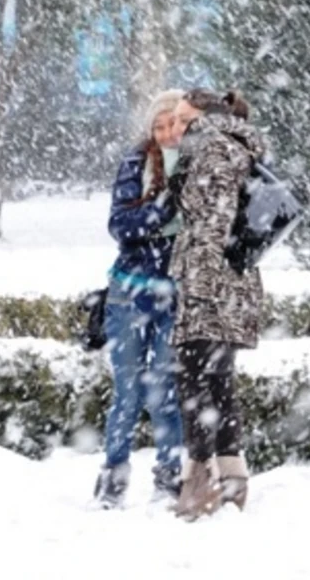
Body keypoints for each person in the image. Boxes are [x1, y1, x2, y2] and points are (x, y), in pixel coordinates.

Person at [168, 89, 264, 521]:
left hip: (213, 286)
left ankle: (201, 480)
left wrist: (200, 286)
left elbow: (214, 222)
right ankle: (229, 478)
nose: (176, 128)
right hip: (225, 283)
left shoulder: (215, 149)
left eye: (184, 119)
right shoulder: (224, 147)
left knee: (195, 383)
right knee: (215, 383)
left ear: (205, 118)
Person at [93, 90, 186, 508]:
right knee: (127, 391)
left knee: (164, 391)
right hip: (128, 292)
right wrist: (161, 210)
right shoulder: (136, 162)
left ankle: (169, 479)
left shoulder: (199, 168)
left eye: (174, 125)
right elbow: (120, 224)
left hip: (176, 296)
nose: (167, 134)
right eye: (159, 126)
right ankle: (112, 479)